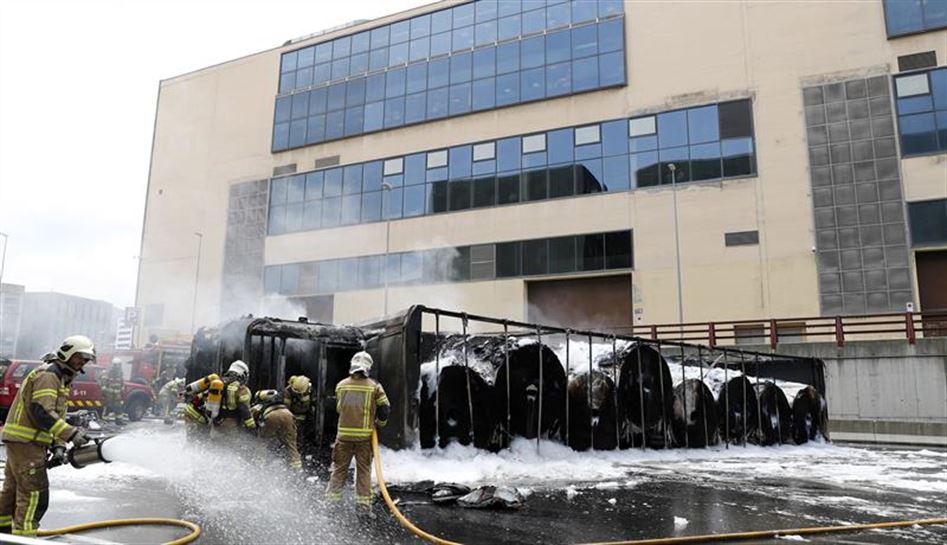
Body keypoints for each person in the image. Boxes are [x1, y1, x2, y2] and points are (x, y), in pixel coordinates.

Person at [0, 335, 93, 537]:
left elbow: (56, 414)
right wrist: (71, 434)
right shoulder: (49, 375)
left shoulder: (60, 377)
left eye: (86, 359)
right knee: (34, 494)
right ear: (68, 353)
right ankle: (24, 538)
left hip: (24, 442)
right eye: (80, 357)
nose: (83, 362)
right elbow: (41, 411)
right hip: (27, 442)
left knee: (12, 490)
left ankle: (3, 531)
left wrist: (58, 445)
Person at [325, 351, 390, 511]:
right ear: (368, 367)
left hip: (343, 437)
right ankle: (363, 505)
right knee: (363, 470)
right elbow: (384, 408)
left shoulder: (341, 385)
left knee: (339, 469)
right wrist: (380, 423)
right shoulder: (374, 386)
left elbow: (339, 408)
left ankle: (331, 503)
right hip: (364, 438)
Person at [251, 390, 302, 471]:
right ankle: (297, 468)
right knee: (291, 443)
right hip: (288, 415)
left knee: (262, 442)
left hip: (271, 417)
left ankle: (260, 464)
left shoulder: (259, 406)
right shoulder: (282, 404)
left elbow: (251, 416)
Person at [213, 360, 256, 435]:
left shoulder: (218, 383)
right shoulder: (241, 388)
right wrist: (252, 427)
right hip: (232, 426)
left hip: (216, 425)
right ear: (243, 374)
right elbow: (244, 409)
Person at [99, 358, 125, 423]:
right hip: (109, 393)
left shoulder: (120, 372)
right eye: (116, 365)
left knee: (118, 406)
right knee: (109, 406)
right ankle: (105, 419)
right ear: (113, 365)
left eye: (119, 365)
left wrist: (122, 387)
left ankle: (119, 420)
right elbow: (103, 383)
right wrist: (105, 391)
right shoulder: (107, 372)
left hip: (117, 393)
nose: (118, 366)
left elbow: (121, 381)